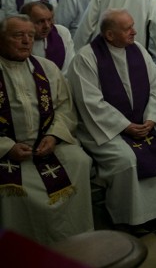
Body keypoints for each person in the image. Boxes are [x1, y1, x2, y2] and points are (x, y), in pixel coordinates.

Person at [68, 9, 156, 227]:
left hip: (144, 121)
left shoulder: (138, 50)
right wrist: (125, 126)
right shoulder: (86, 58)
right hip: (107, 128)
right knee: (126, 159)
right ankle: (132, 217)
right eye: (127, 28)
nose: (134, 31)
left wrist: (151, 118)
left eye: (133, 25)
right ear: (110, 35)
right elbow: (90, 102)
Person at [0, 15, 94, 245]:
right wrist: (7, 147)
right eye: (17, 35)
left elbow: (64, 108)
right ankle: (21, 250)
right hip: (9, 151)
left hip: (46, 144)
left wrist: (53, 136)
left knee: (79, 160)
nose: (26, 41)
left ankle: (76, 240)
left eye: (30, 36)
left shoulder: (47, 68)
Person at [22, 1, 75, 74]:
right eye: (40, 21)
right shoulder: (16, 41)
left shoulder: (61, 33)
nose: (47, 26)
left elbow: (69, 67)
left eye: (49, 20)